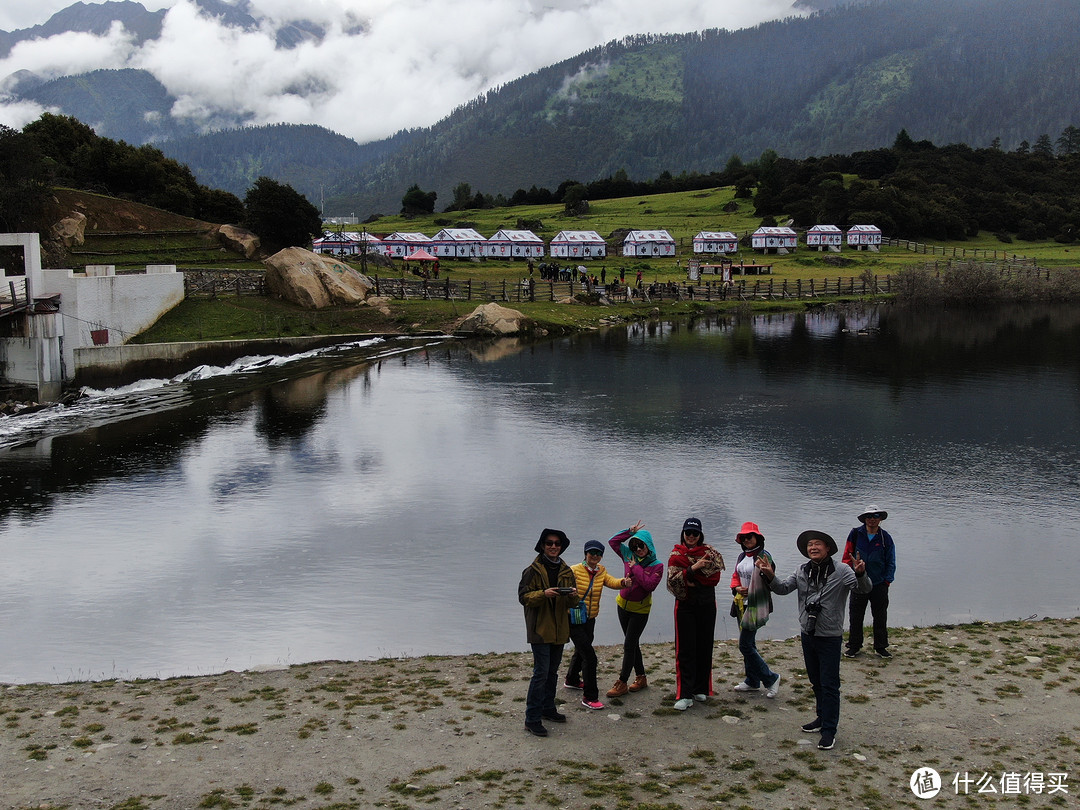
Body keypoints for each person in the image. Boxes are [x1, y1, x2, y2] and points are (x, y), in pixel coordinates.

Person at [757, 530, 871, 750]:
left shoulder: (842, 570)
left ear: (828, 548)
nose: (813, 548)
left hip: (830, 636)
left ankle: (830, 730)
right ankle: (821, 718)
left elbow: (864, 589)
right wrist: (770, 575)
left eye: (818, 544)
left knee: (830, 685)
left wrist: (860, 574)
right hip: (808, 634)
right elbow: (782, 589)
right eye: (810, 545)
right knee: (816, 681)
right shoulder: (802, 570)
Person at [518, 528, 579, 737]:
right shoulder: (532, 570)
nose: (553, 546)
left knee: (552, 673)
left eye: (557, 543)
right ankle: (532, 718)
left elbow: (574, 601)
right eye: (549, 543)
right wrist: (544, 594)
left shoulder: (566, 571)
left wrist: (572, 595)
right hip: (540, 630)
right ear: (543, 545)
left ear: (561, 547)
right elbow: (524, 597)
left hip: (560, 630)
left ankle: (548, 709)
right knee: (540, 673)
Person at [666, 517, 725, 711]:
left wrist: (689, 576)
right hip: (685, 606)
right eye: (688, 533)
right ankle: (684, 694)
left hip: (707, 604)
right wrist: (693, 569)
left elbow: (714, 577)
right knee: (685, 649)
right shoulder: (676, 555)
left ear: (700, 535)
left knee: (704, 646)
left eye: (695, 533)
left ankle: (701, 689)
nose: (691, 536)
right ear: (683, 534)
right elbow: (672, 580)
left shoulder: (710, 553)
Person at [605, 521, 664, 698]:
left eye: (641, 545)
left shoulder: (657, 566)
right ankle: (641, 678)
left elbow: (649, 586)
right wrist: (629, 532)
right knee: (632, 644)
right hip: (622, 605)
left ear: (649, 546)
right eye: (635, 545)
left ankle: (622, 682)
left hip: (640, 611)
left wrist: (636, 568)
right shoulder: (627, 554)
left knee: (629, 645)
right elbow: (613, 542)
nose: (638, 549)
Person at [563, 540, 624, 709]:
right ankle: (589, 697)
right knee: (590, 657)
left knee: (582, 650)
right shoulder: (574, 570)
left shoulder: (601, 571)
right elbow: (563, 587)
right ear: (585, 553)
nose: (595, 556)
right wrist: (569, 592)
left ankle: (572, 679)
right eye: (592, 552)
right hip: (573, 619)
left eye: (598, 553)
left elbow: (611, 582)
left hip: (589, 619)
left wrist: (623, 583)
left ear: (601, 556)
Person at [729, 521, 780, 698]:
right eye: (743, 537)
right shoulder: (742, 556)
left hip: (756, 604)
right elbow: (735, 576)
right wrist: (736, 588)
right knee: (749, 644)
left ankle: (771, 678)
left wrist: (766, 572)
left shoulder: (764, 556)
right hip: (741, 603)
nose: (746, 540)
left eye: (749, 537)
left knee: (744, 645)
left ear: (757, 538)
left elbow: (771, 580)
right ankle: (752, 680)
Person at [842, 505, 896, 659]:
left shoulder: (886, 538)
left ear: (880, 519)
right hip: (858, 582)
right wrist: (849, 576)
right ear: (865, 519)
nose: (872, 519)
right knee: (856, 615)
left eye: (876, 516)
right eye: (869, 517)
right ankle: (854, 646)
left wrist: (887, 580)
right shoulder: (855, 534)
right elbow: (847, 556)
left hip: (879, 583)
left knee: (880, 615)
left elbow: (890, 560)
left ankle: (881, 647)